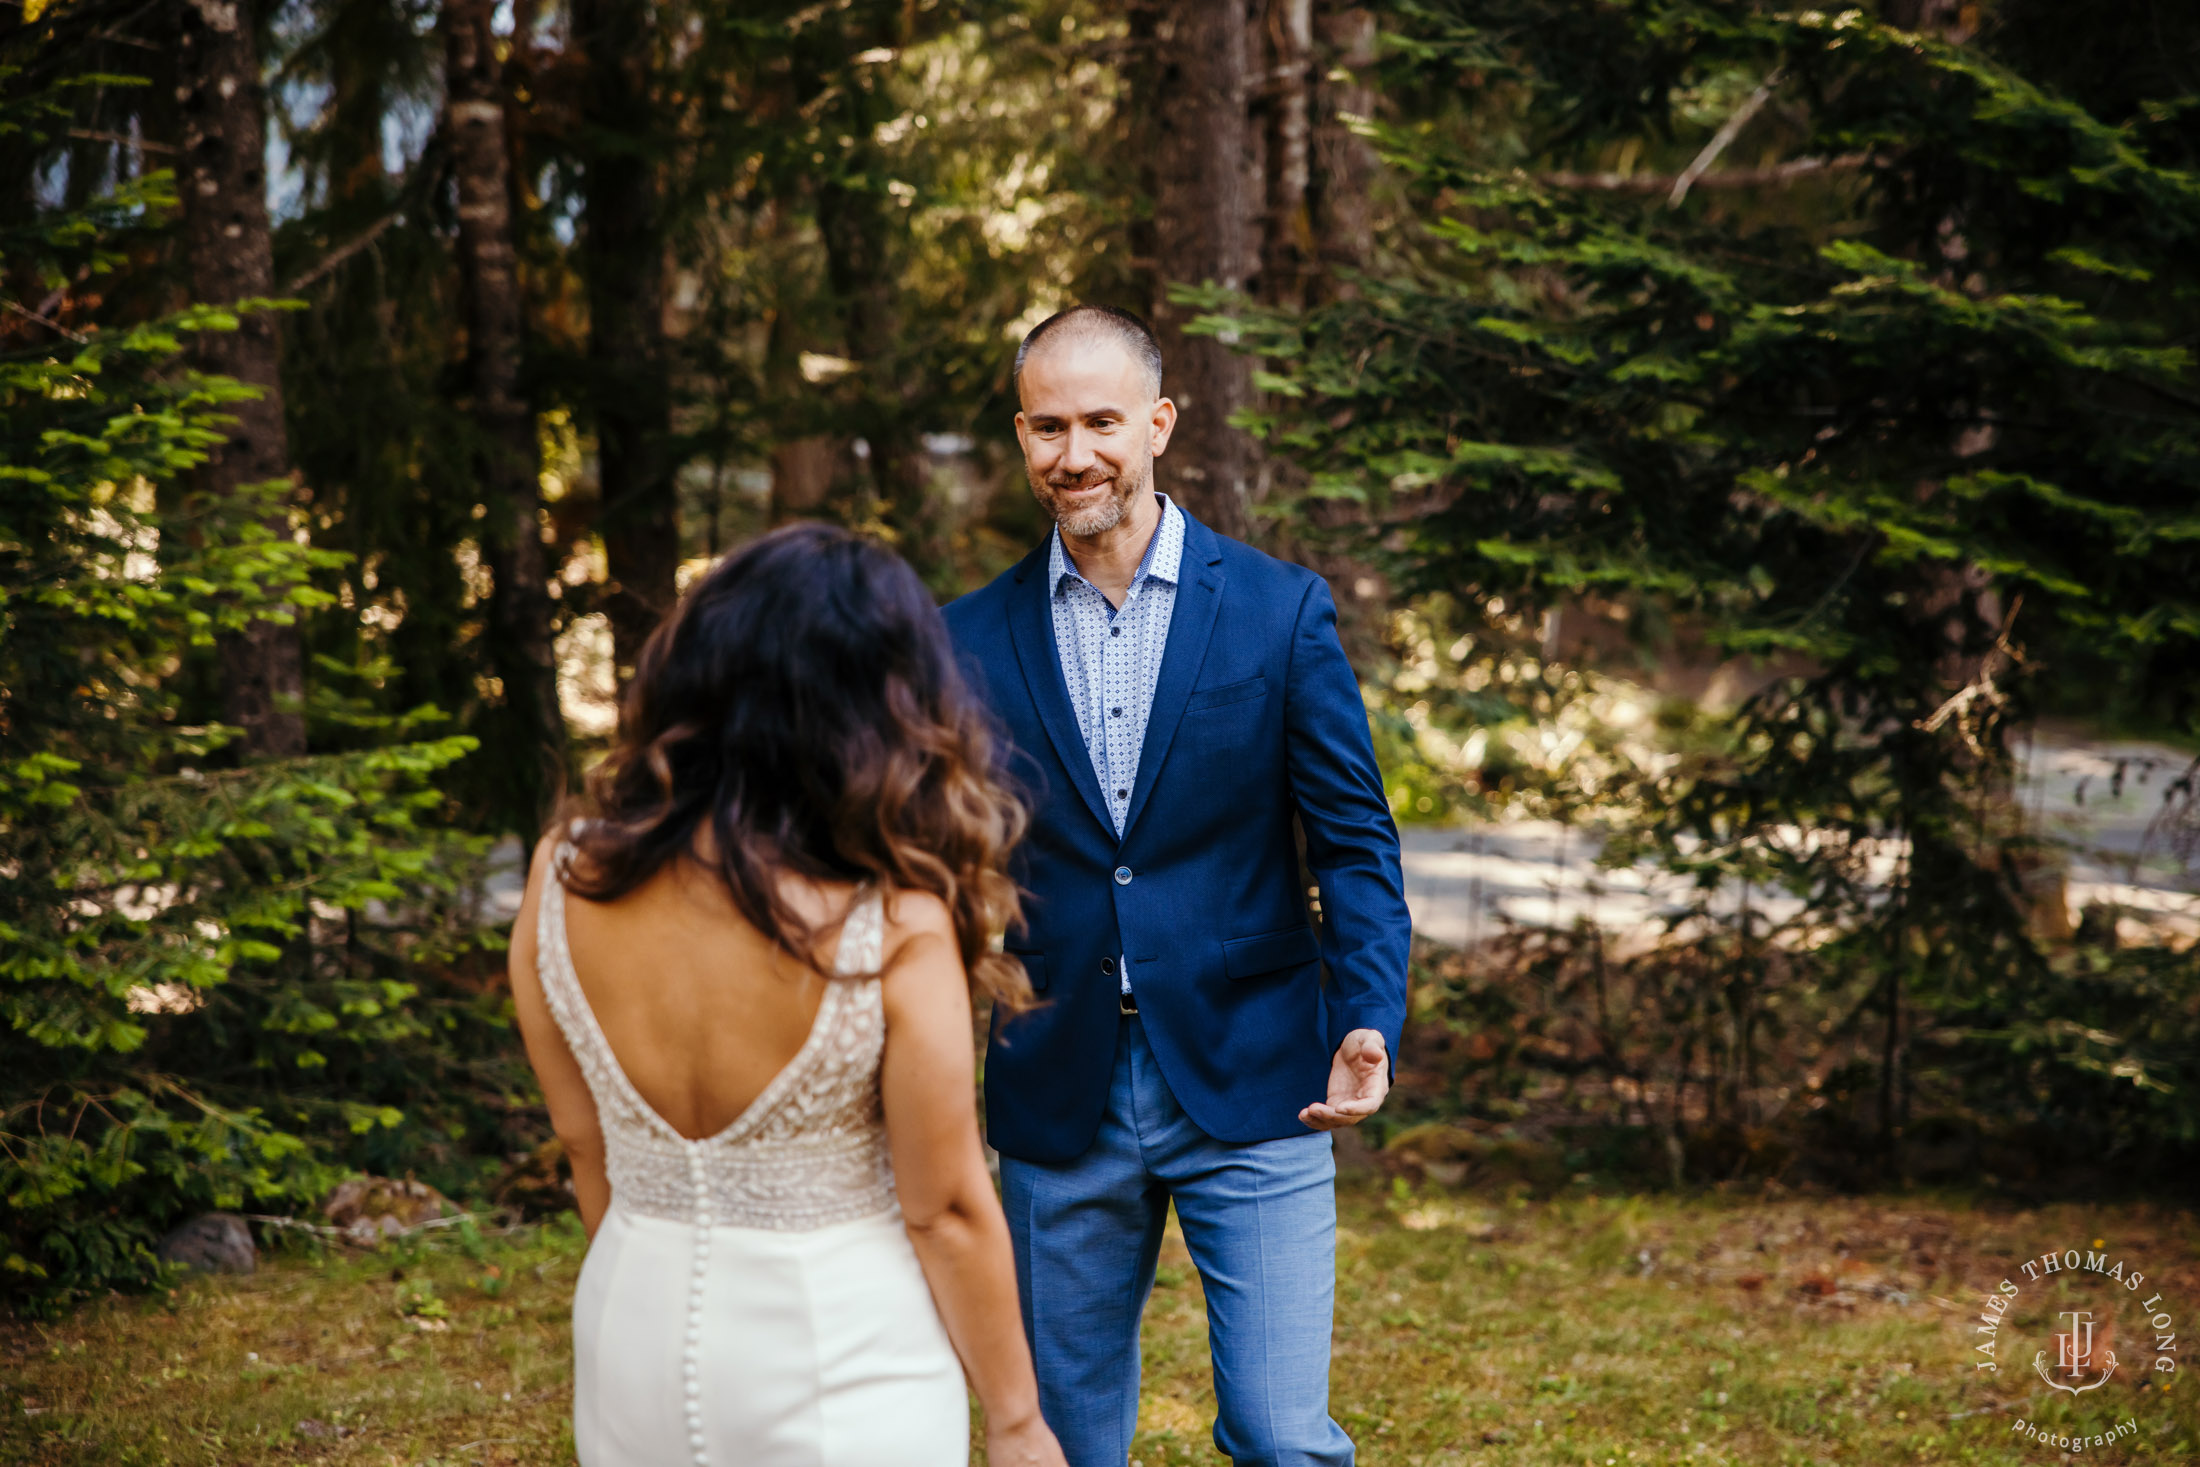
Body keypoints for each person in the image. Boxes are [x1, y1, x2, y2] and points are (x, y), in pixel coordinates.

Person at [943, 305, 1412, 1466]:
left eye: (1101, 420)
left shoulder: (1276, 610)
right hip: (1059, 1088)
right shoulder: (963, 639)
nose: (1075, 453)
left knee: (1280, 1435)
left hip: (1257, 1078)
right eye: (1048, 426)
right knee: (1062, 1438)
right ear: (1019, 436)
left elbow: (1352, 844)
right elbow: (936, 870)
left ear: (1156, 423)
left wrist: (1366, 1016)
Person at [506, 523, 1070, 1467]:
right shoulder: (890, 922)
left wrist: (666, 1267)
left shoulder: (562, 875)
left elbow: (584, 1143)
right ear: (886, 707)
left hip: (629, 1321)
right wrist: (1015, 1419)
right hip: (841, 1353)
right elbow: (947, 1210)